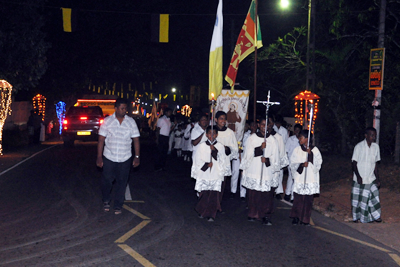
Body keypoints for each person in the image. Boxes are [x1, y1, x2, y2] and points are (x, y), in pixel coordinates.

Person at [96, 98, 140, 215]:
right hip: (109, 156)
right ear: (115, 108)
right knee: (107, 181)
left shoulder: (131, 122)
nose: (124, 110)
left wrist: (137, 156)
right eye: (122, 108)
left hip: (125, 157)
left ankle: (118, 205)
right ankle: (106, 200)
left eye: (125, 108)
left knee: (122, 182)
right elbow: (101, 140)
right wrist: (99, 157)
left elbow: (136, 139)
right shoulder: (107, 121)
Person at [240, 118, 280, 225]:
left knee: (266, 195)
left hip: (267, 171)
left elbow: (275, 157)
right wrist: (259, 149)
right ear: (258, 125)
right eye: (262, 124)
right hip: (254, 168)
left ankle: (265, 215)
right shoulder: (252, 138)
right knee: (254, 193)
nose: (264, 127)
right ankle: (253, 213)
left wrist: (267, 160)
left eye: (267, 125)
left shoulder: (272, 140)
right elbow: (247, 154)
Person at [192, 126, 226, 222]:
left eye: (214, 133)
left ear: (217, 135)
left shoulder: (220, 146)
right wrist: (206, 164)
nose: (212, 135)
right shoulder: (202, 146)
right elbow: (197, 160)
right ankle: (202, 211)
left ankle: (211, 214)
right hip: (205, 173)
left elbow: (222, 160)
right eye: (210, 133)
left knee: (213, 195)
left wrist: (215, 151)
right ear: (206, 135)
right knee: (204, 194)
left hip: (215, 173)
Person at [290, 130, 323, 225]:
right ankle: (296, 217)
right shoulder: (297, 150)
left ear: (307, 139)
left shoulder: (315, 150)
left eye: (301, 138)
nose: (299, 139)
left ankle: (305, 219)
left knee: (308, 200)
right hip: (300, 178)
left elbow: (318, 164)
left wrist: (310, 155)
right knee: (298, 199)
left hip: (310, 178)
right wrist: (301, 165)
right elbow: (292, 163)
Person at [351, 127, 382, 223]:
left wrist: (378, 178)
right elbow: (354, 163)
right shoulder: (359, 147)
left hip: (371, 178)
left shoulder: (376, 147)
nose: (373, 137)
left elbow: (375, 164)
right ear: (366, 135)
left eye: (375, 135)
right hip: (360, 178)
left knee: (375, 195)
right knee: (358, 200)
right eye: (372, 135)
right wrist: (358, 176)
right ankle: (357, 217)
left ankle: (376, 216)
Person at [214, 111, 239, 202]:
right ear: (216, 120)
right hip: (213, 162)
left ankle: (218, 203)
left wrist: (226, 148)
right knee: (213, 184)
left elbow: (234, 149)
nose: (223, 121)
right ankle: (211, 204)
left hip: (224, 162)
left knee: (221, 185)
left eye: (225, 119)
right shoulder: (211, 131)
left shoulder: (230, 133)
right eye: (221, 118)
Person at [268, 117, 289, 200]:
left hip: (277, 158)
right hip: (267, 160)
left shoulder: (279, 136)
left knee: (278, 175)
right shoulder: (263, 134)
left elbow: (283, 146)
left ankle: (278, 192)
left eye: (270, 123)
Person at [284, 124, 303, 201]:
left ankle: (292, 195)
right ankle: (288, 194)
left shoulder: (302, 140)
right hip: (291, 162)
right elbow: (287, 150)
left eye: (298, 130)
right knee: (291, 178)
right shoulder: (291, 139)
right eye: (296, 130)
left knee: (296, 179)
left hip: (299, 162)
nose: (297, 132)